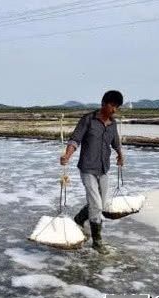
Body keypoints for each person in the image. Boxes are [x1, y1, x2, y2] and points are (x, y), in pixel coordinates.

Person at [60, 90, 124, 254]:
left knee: (101, 204)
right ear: (103, 103)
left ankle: (80, 219)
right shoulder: (88, 120)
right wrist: (67, 155)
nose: (114, 110)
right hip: (88, 168)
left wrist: (120, 154)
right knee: (96, 204)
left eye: (117, 107)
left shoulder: (113, 123)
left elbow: (116, 142)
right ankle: (97, 241)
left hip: (104, 168)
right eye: (112, 105)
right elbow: (75, 140)